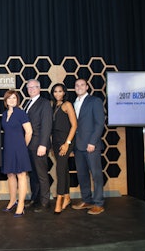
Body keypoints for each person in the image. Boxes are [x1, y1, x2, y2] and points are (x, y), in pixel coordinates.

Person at [72, 78, 105, 215]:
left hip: (91, 145)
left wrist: (92, 142)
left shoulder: (95, 101)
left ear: (87, 87)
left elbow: (99, 123)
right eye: (77, 85)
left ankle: (98, 203)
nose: (79, 87)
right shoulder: (74, 103)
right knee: (82, 174)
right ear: (74, 88)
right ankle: (87, 200)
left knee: (96, 175)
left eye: (82, 85)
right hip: (78, 146)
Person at [1, 90, 33, 217]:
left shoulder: (21, 113)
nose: (12, 100)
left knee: (21, 175)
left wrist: (23, 146)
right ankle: (13, 201)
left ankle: (21, 205)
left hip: (19, 148)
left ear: (17, 100)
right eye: (9, 98)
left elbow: (29, 132)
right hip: (8, 147)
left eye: (14, 98)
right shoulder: (4, 114)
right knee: (10, 175)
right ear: (6, 100)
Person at [24, 79, 53, 213]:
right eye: (29, 88)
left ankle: (45, 202)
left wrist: (43, 145)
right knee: (33, 175)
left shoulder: (45, 103)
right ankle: (35, 199)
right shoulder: (28, 103)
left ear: (39, 88)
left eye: (34, 87)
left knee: (41, 175)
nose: (31, 89)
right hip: (29, 145)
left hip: (39, 145)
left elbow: (47, 125)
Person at [50, 83, 77, 214]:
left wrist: (67, 143)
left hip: (65, 141)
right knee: (64, 169)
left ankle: (59, 200)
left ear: (64, 92)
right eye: (55, 91)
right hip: (55, 141)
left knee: (60, 170)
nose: (57, 94)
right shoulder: (54, 105)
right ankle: (67, 197)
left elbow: (74, 125)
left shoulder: (67, 105)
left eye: (60, 91)